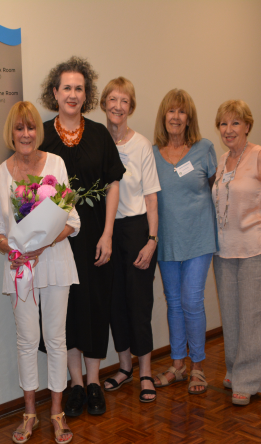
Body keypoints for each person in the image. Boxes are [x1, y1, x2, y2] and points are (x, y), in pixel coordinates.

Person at [0, 101, 80, 444]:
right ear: (11, 133)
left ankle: (57, 413)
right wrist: (5, 245)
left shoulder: (56, 164)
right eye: (19, 128)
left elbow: (72, 221)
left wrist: (41, 244)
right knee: (26, 341)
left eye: (30, 128)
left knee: (55, 340)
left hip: (54, 262)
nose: (25, 135)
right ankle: (29, 414)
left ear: (37, 131)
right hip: (19, 268)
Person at [38, 56, 124, 417]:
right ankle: (74, 384)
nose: (72, 94)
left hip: (94, 241)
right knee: (66, 313)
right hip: (57, 242)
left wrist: (107, 233)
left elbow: (113, 184)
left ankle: (92, 381)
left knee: (94, 307)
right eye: (66, 88)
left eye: (79, 88)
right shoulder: (40, 135)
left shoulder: (100, 135)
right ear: (54, 93)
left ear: (86, 94)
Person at [213, 100, 261, 406]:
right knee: (232, 317)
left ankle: (248, 380)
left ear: (247, 126)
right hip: (225, 251)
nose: (228, 130)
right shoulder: (222, 161)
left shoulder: (260, 156)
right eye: (223, 123)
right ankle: (235, 369)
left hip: (257, 250)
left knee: (254, 317)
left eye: (235, 123)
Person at [99, 78, 161, 403]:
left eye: (124, 101)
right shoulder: (97, 141)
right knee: (114, 302)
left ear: (131, 107)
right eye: (112, 99)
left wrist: (152, 240)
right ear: (103, 104)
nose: (117, 106)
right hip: (107, 232)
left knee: (139, 303)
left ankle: (146, 371)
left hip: (138, 230)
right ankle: (124, 367)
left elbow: (151, 198)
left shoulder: (142, 146)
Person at [152, 89, 218, 396]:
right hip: (167, 240)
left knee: (192, 301)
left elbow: (215, 189)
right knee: (174, 303)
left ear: (188, 117)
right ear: (163, 117)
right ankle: (177, 366)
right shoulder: (152, 154)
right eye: (171, 111)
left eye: (181, 112)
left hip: (199, 239)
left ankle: (198, 368)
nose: (176, 117)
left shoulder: (204, 148)